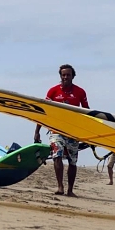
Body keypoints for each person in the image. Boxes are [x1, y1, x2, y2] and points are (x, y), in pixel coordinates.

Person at [33, 64, 89, 197]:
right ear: (60, 76)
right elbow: (43, 111)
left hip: (73, 131)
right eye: (63, 75)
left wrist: (89, 133)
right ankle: (60, 186)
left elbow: (87, 113)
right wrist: (37, 131)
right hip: (56, 130)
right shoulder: (53, 91)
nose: (65, 77)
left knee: (72, 161)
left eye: (68, 75)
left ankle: (70, 190)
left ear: (73, 76)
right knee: (56, 156)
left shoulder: (80, 92)